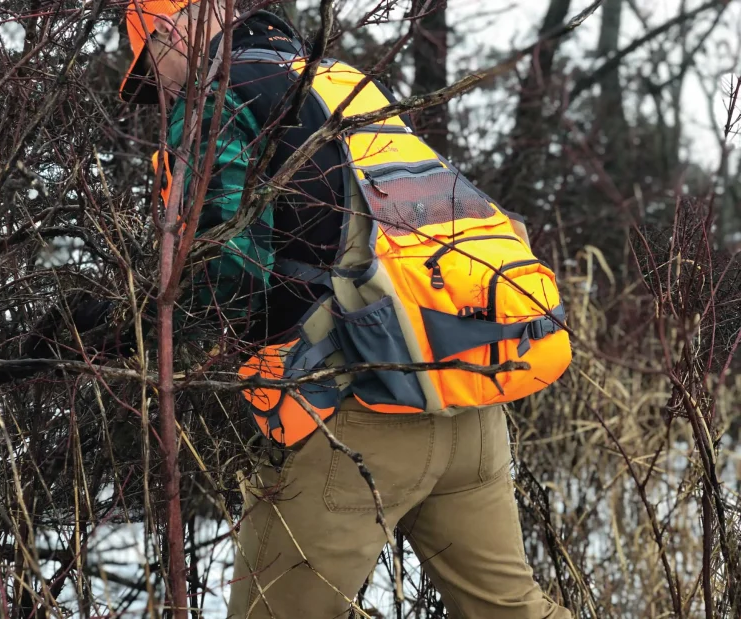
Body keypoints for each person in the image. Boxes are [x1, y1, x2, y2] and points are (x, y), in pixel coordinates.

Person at [119, 1, 573, 618]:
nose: (165, 89)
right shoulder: (342, 81)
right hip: (463, 395)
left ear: (172, 27)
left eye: (155, 66)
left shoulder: (223, 96)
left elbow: (217, 273)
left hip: (348, 416)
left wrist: (125, 319)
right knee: (513, 609)